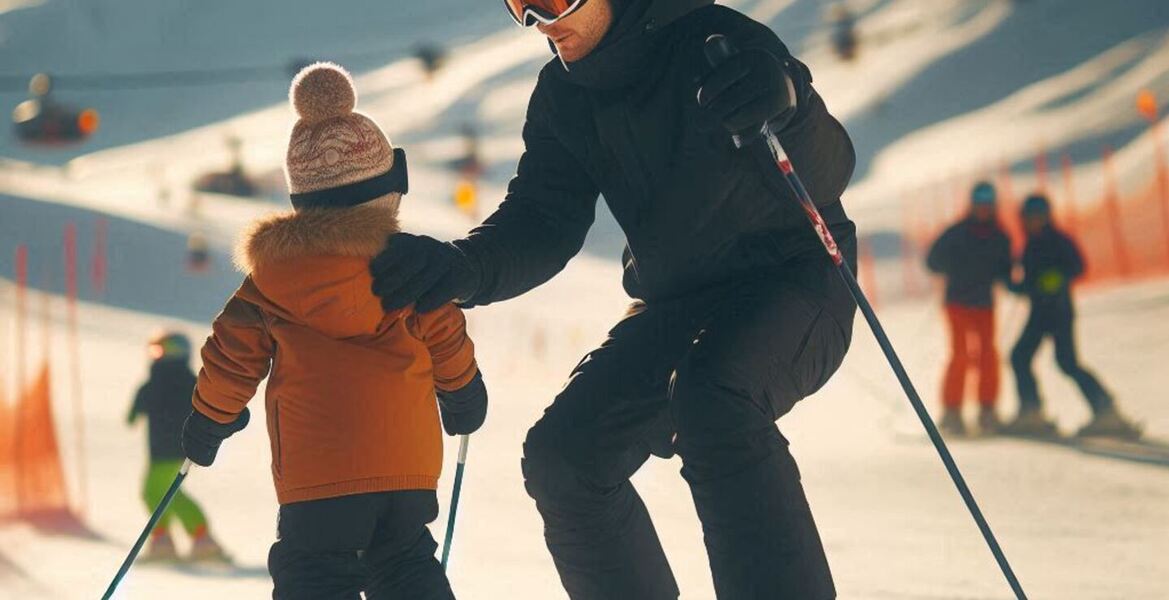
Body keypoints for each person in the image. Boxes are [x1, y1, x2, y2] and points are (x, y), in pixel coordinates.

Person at [369, 1, 857, 598]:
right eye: (518, 5)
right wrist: (464, 266)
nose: (539, 20)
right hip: (677, 303)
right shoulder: (564, 93)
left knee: (713, 400)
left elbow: (830, 169)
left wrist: (792, 109)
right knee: (564, 457)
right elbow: (544, 219)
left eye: (554, 0)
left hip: (794, 279)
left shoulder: (716, 39)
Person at [179, 63, 487, 600]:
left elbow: (232, 356)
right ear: (385, 195)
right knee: (406, 564)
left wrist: (210, 418)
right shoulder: (407, 269)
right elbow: (445, 331)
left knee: (314, 578)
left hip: (318, 484)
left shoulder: (271, 281)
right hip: (407, 476)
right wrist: (462, 393)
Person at [1005, 193, 1140, 438]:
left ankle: (1105, 411)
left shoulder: (1056, 240)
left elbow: (1077, 266)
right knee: (1020, 357)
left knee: (1064, 361)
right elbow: (1031, 284)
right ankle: (1032, 411)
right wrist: (1012, 283)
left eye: (1038, 216)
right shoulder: (1030, 243)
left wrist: (1053, 280)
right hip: (1041, 311)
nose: (1034, 221)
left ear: (1047, 217)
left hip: (1058, 311)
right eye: (1030, 217)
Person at [127, 331, 227, 562]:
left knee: (153, 492)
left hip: (166, 450)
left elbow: (135, 413)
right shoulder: (187, 381)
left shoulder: (163, 383)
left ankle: (168, 541)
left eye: (161, 350)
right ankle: (200, 539)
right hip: (176, 449)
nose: (156, 356)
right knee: (170, 493)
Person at [925, 182, 1012, 435]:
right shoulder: (957, 232)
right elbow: (932, 260)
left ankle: (987, 410)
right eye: (980, 203)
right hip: (958, 303)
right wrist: (952, 267)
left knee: (987, 355)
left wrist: (1014, 282)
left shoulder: (999, 236)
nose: (983, 209)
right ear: (973, 205)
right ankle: (952, 412)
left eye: (988, 204)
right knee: (961, 354)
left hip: (984, 304)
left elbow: (1006, 268)